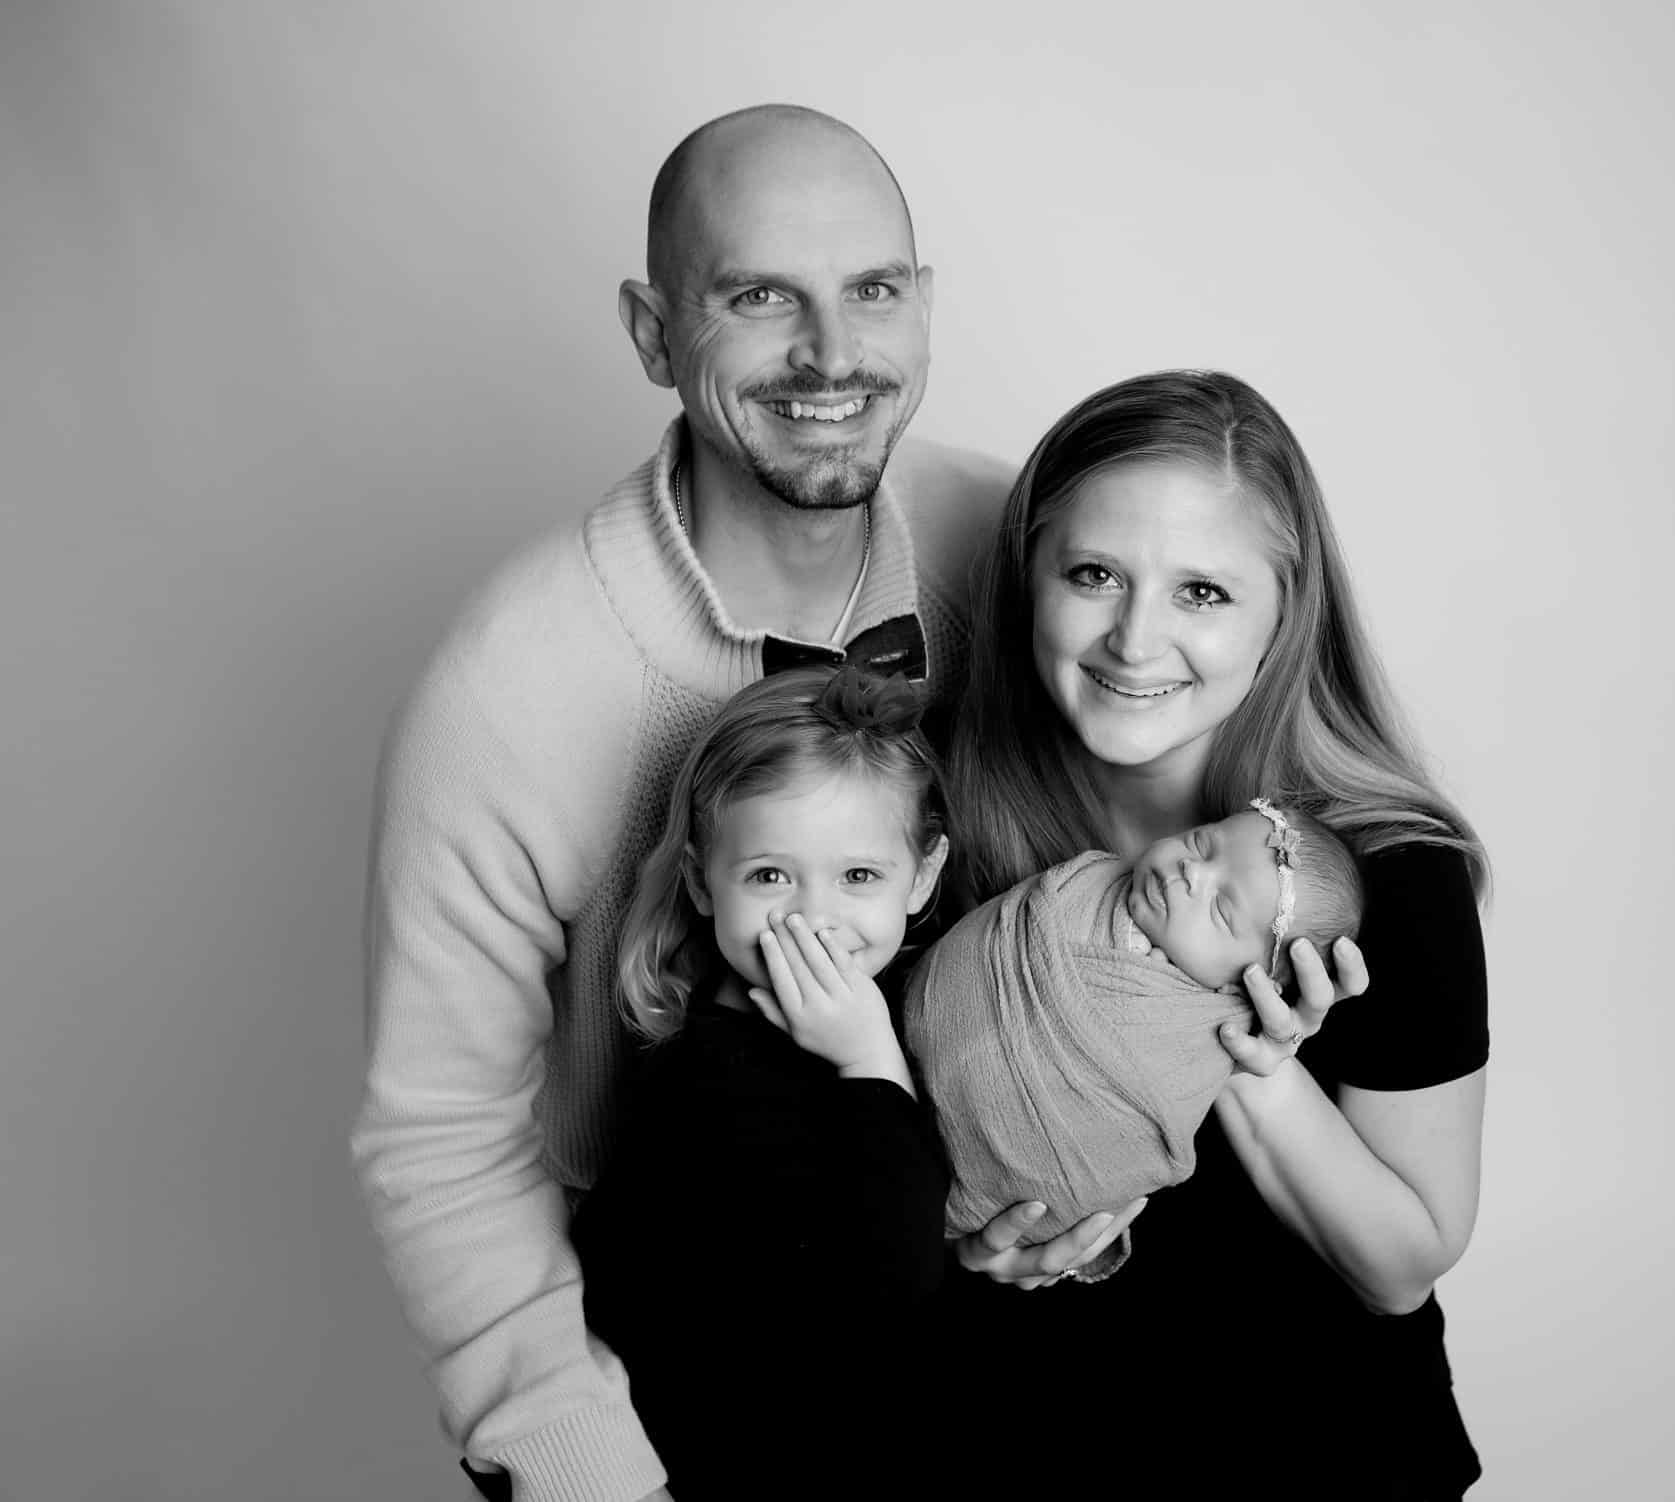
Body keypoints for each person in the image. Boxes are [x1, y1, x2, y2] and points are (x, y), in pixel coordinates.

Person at [352, 104, 1013, 1502]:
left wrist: (1109, 1149)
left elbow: (1138, 849)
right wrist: (589, 1474)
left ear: (922, 305)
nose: (830, 354)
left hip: (990, 1361)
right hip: (700, 1384)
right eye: (760, 296)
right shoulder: (508, 688)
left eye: (870, 290)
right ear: (655, 334)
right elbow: (443, 1135)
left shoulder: (1012, 546)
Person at [937, 369, 1491, 1498]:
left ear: (1285, 615)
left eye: (1201, 592)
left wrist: (1246, 1055)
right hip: (1022, 1450)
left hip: (1321, 1460)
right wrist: (970, 1247)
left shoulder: (1387, 874)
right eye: (1093, 574)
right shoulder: (937, 826)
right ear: (1026, 578)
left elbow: (1399, 1267)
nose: (1135, 640)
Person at [568, 664, 951, 1483]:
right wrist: (868, 1062)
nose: (813, 917)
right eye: (770, 876)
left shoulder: (923, 1005)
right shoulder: (712, 1081)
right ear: (703, 881)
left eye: (859, 876)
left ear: (922, 876)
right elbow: (894, 1284)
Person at [904, 798, 1364, 1240]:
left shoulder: (1203, 1034)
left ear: (1256, 982)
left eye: (1221, 910)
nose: (1192, 871)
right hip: (904, 1022)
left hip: (974, 1168)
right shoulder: (1094, 883)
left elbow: (1125, 1141)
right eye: (1202, 843)